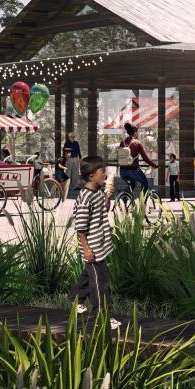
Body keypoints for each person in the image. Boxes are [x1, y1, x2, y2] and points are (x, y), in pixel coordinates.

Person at [70, 156, 119, 328]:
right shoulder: (85, 198)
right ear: (91, 176)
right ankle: (103, 317)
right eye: (102, 172)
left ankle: (76, 300)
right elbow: (80, 227)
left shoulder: (97, 192)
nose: (105, 174)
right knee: (101, 283)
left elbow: (103, 210)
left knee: (88, 275)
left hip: (100, 245)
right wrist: (86, 249)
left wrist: (107, 197)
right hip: (93, 247)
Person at [113, 123, 155, 195]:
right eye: (137, 131)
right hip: (134, 171)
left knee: (132, 184)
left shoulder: (122, 143)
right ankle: (143, 203)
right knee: (145, 183)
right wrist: (154, 165)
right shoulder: (137, 143)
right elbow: (145, 158)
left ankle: (125, 197)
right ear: (135, 132)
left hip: (122, 171)